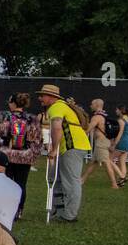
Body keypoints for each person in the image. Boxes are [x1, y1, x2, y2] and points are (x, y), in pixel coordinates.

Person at [38, 84, 91, 223]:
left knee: (71, 181)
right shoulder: (62, 106)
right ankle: (61, 210)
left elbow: (57, 128)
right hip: (75, 145)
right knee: (61, 180)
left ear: (51, 97)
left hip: (71, 146)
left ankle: (69, 216)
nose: (40, 98)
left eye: (42, 95)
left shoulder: (56, 107)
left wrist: (54, 149)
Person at [81, 98, 120, 189]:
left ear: (97, 105)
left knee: (106, 162)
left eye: (92, 104)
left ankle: (114, 184)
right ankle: (82, 179)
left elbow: (88, 129)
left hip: (101, 143)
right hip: (105, 141)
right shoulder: (105, 115)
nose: (90, 106)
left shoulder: (96, 117)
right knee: (93, 162)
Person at [111, 105, 128, 186]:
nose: (115, 111)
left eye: (116, 109)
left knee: (109, 160)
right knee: (122, 162)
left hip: (122, 143)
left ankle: (122, 177)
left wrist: (114, 144)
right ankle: (122, 181)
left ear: (121, 111)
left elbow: (119, 134)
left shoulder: (121, 120)